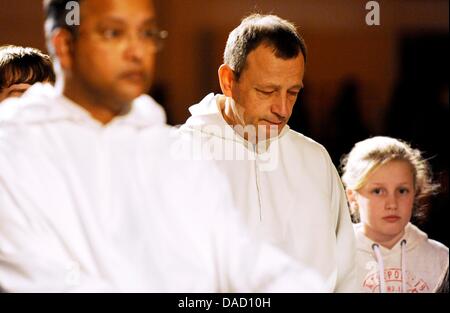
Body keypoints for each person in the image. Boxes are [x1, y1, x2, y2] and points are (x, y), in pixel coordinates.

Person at [0, 0, 326, 292]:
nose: (136, 50)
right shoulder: (15, 146)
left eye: (146, 33)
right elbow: (47, 279)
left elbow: (235, 252)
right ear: (65, 46)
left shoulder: (169, 148)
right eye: (114, 33)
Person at [180, 14, 356, 292]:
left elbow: (347, 273)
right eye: (267, 91)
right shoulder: (176, 157)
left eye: (293, 93)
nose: (282, 109)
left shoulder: (315, 160)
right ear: (228, 80)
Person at [340, 136, 449, 293]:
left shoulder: (442, 260)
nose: (392, 204)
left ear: (415, 193)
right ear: (352, 196)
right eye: (378, 191)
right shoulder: (334, 257)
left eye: (402, 191)